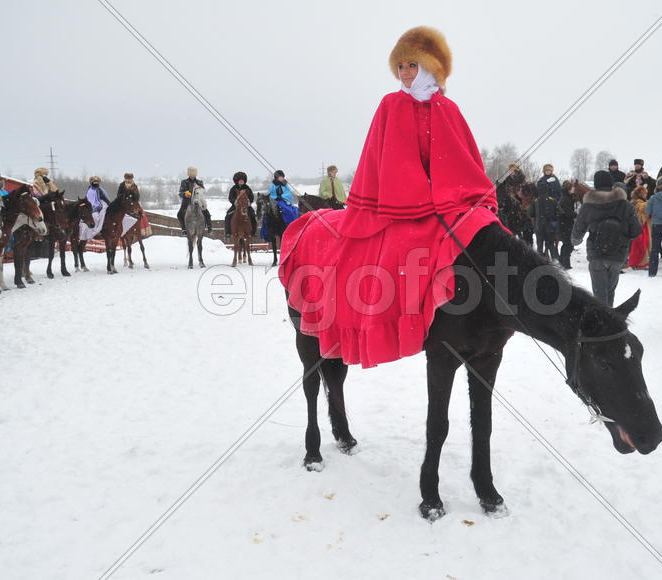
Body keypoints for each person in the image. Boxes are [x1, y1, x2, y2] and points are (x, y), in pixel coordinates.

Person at [279, 26, 502, 368]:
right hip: (397, 205)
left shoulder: (449, 110)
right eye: (401, 67)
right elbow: (381, 160)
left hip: (445, 204)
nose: (406, 73)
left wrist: (450, 197)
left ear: (431, 67)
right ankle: (380, 319)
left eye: (413, 65)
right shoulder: (390, 105)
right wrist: (409, 195)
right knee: (397, 247)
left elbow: (463, 164)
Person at [571, 170, 641, 307]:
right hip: (618, 255)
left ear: (596, 185)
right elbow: (636, 231)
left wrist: (575, 240)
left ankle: (603, 322)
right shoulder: (625, 205)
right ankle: (609, 318)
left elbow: (577, 232)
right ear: (611, 183)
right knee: (610, 292)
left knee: (599, 295)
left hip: (596, 254)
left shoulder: (588, 206)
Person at [533, 163, 561, 260]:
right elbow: (540, 188)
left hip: (554, 202)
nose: (548, 172)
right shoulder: (542, 180)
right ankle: (543, 256)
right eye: (546, 170)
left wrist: (555, 200)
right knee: (542, 240)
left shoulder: (555, 180)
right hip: (542, 202)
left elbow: (559, 191)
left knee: (549, 239)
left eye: (549, 170)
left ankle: (554, 257)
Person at [177, 166, 211, 234]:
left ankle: (210, 228)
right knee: (179, 214)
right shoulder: (184, 182)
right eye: (191, 174)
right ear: (189, 174)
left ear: (195, 174)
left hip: (198, 200)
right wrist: (185, 194)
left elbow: (202, 191)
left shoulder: (199, 182)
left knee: (206, 213)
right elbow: (180, 192)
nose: (192, 176)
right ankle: (184, 229)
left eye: (193, 175)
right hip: (187, 201)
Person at [225, 171, 256, 237]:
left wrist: (248, 202)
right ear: (237, 181)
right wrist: (235, 202)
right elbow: (230, 197)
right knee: (228, 215)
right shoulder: (233, 188)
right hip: (236, 206)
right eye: (240, 180)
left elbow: (251, 197)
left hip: (246, 206)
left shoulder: (247, 188)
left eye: (243, 180)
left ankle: (253, 232)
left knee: (253, 215)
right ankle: (228, 232)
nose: (241, 181)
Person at [627, 185, 651, 269]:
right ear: (640, 194)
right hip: (640, 227)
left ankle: (636, 262)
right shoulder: (640, 203)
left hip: (636, 226)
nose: (646, 195)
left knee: (637, 245)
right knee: (641, 244)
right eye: (644, 193)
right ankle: (640, 263)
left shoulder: (633, 202)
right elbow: (642, 213)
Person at [557, 180, 576, 269]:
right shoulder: (565, 199)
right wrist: (576, 214)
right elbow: (568, 213)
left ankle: (563, 261)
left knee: (567, 244)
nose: (574, 189)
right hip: (566, 224)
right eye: (572, 187)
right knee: (568, 244)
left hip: (565, 224)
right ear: (568, 189)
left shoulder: (568, 197)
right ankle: (565, 263)